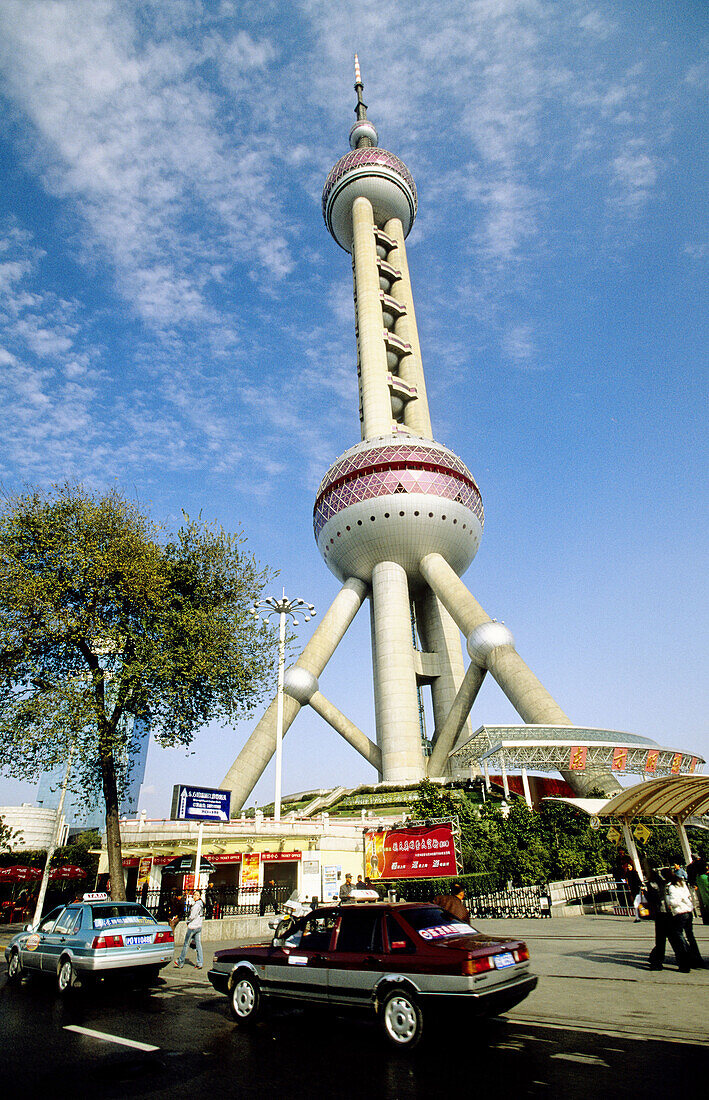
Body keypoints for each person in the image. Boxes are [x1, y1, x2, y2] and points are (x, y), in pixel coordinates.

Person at [645, 866, 689, 972]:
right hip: (671, 915)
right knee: (675, 940)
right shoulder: (670, 883)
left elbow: (652, 899)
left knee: (660, 940)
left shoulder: (654, 884)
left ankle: (657, 963)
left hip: (661, 914)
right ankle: (684, 964)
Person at [666, 873, 703, 968]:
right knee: (690, 935)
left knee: (678, 934)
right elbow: (688, 896)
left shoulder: (672, 887)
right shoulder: (682, 883)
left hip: (680, 912)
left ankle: (687, 954)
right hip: (689, 911)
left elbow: (675, 901)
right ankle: (697, 957)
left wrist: (669, 902)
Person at [175, 889, 204, 969]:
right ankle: (200, 962)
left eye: (197, 895)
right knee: (198, 945)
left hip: (192, 927)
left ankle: (180, 961)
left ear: (200, 896)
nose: (195, 897)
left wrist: (187, 921)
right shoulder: (201, 904)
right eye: (194, 895)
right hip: (198, 926)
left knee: (186, 944)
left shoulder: (196, 905)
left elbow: (192, 916)